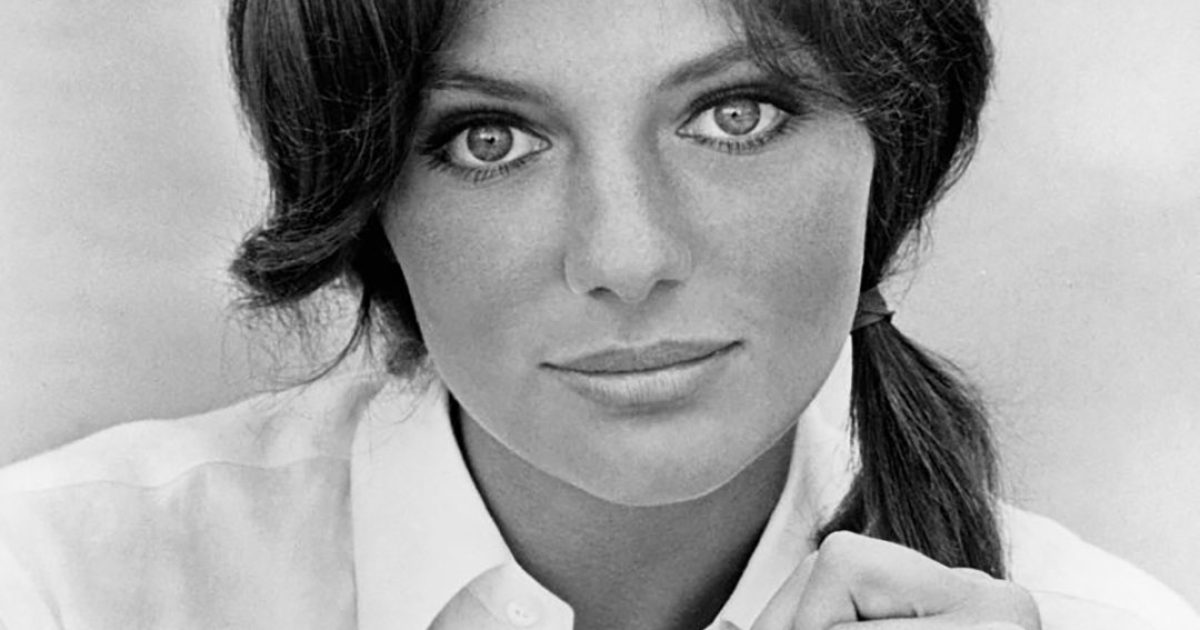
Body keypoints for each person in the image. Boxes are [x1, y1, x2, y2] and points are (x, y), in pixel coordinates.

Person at [0, 0, 1196, 628]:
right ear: (368, 200)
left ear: (892, 148)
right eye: (492, 139)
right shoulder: (61, 585)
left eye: (734, 115)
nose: (626, 258)